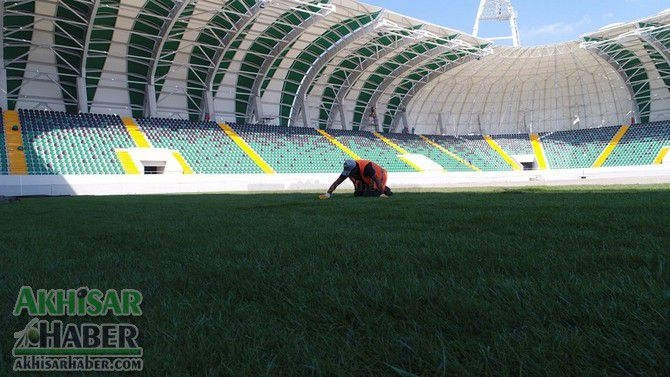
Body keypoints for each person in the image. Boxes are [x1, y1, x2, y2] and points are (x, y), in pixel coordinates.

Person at [319, 159, 393, 199]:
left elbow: (377, 180)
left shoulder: (367, 167)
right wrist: (328, 193)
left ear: (355, 168)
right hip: (366, 180)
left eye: (351, 172)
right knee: (358, 195)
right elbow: (338, 182)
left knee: (368, 194)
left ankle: (385, 190)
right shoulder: (349, 169)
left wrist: (382, 194)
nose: (349, 174)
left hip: (380, 176)